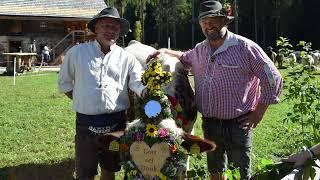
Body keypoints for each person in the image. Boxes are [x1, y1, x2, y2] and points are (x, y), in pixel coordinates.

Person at [147, 1, 283, 179]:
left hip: (238, 124)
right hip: (210, 124)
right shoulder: (200, 50)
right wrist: (165, 51)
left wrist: (258, 113)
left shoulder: (245, 48)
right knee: (215, 172)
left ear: (225, 21)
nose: (208, 25)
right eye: (204, 22)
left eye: (213, 20)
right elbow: (185, 57)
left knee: (239, 173)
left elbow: (273, 78)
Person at [58, 7, 146, 180]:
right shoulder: (77, 53)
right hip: (86, 122)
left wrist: (147, 91)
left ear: (119, 31)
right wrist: (83, 100)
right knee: (85, 171)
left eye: (114, 27)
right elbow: (65, 83)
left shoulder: (126, 57)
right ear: (96, 28)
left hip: (116, 122)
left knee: (110, 167)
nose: (110, 31)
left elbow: (136, 82)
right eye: (106, 26)